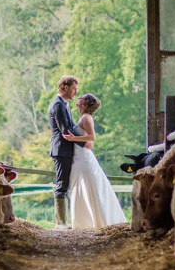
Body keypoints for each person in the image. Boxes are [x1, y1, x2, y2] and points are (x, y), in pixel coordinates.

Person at [62, 93, 126, 229]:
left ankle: (93, 221)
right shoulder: (83, 117)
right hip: (78, 155)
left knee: (88, 185)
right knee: (81, 185)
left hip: (83, 158)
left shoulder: (86, 118)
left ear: (85, 103)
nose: (78, 99)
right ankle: (84, 222)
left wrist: (73, 139)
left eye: (81, 98)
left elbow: (91, 137)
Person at [48, 75, 83, 228]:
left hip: (65, 149)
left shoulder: (64, 104)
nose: (76, 92)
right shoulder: (58, 105)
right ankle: (60, 222)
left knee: (65, 184)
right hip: (61, 150)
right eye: (74, 88)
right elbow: (65, 130)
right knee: (62, 185)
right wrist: (84, 142)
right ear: (65, 87)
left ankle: (63, 221)